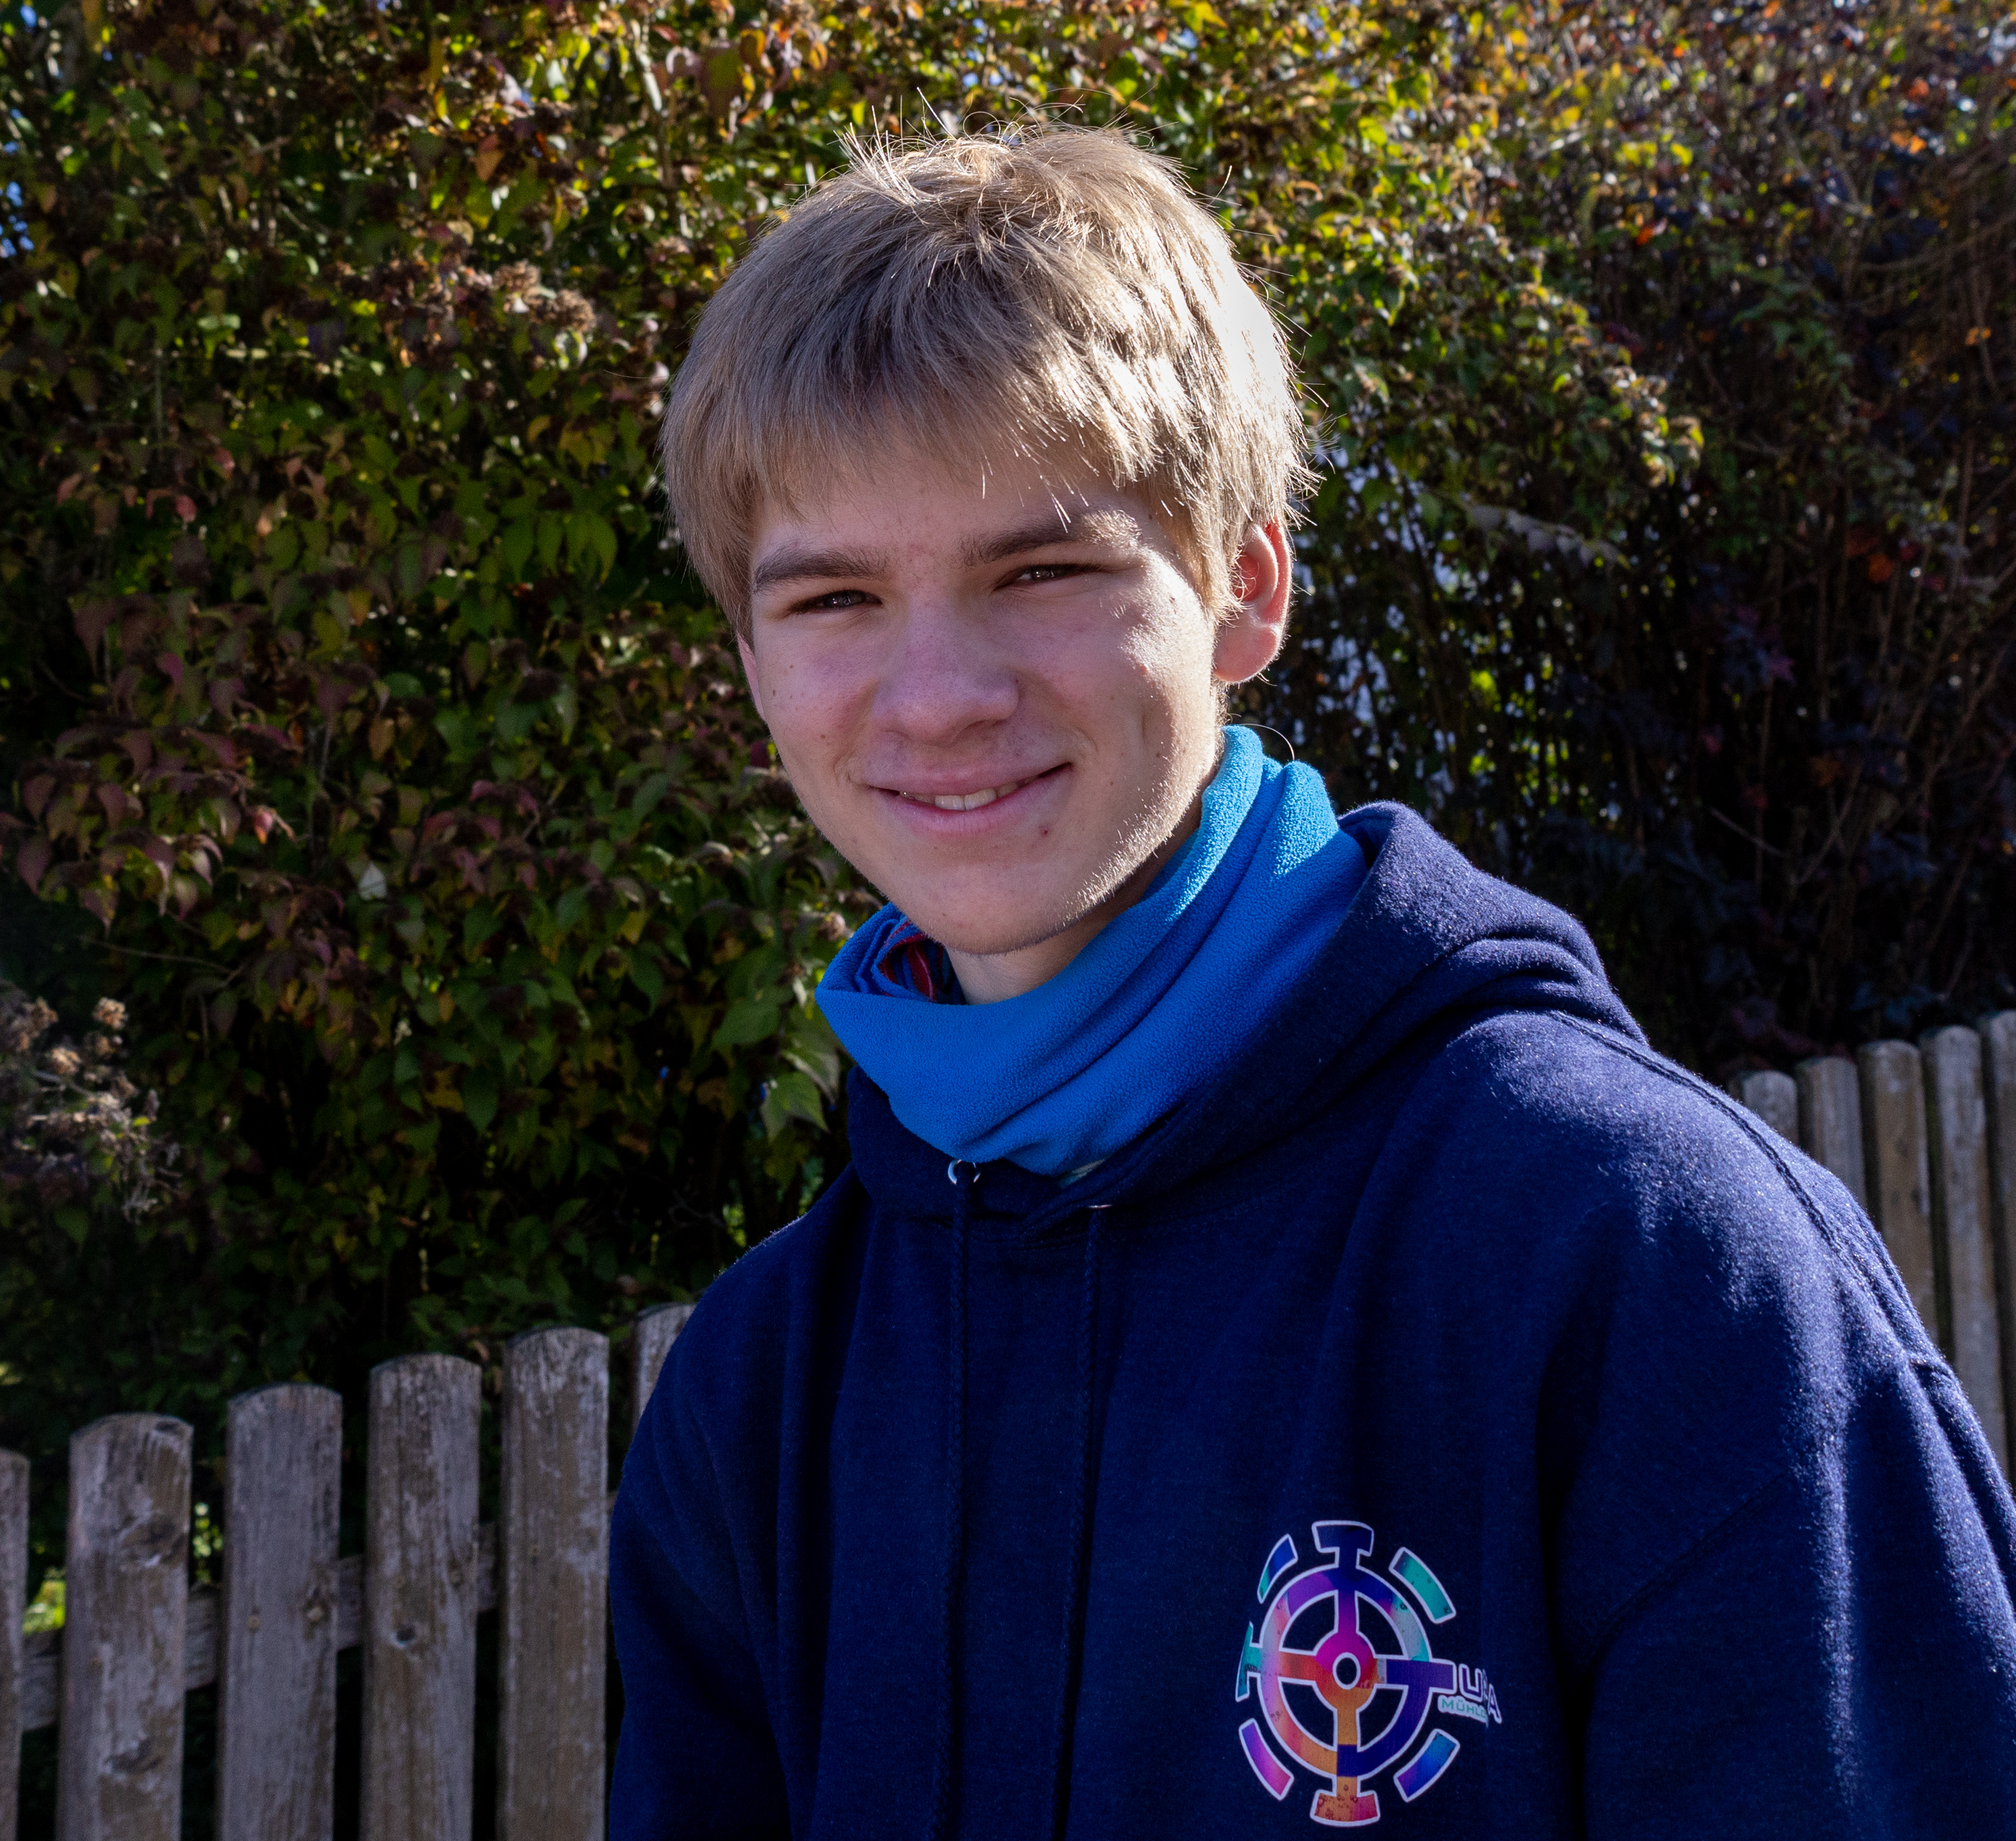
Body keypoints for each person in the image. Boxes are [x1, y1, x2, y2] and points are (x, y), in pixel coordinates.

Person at [608, 124, 2016, 1838]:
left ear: (1244, 589)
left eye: (1043, 568)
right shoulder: (765, 1390)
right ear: (753, 661)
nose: (938, 694)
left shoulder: (1643, 1265)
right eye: (834, 597)